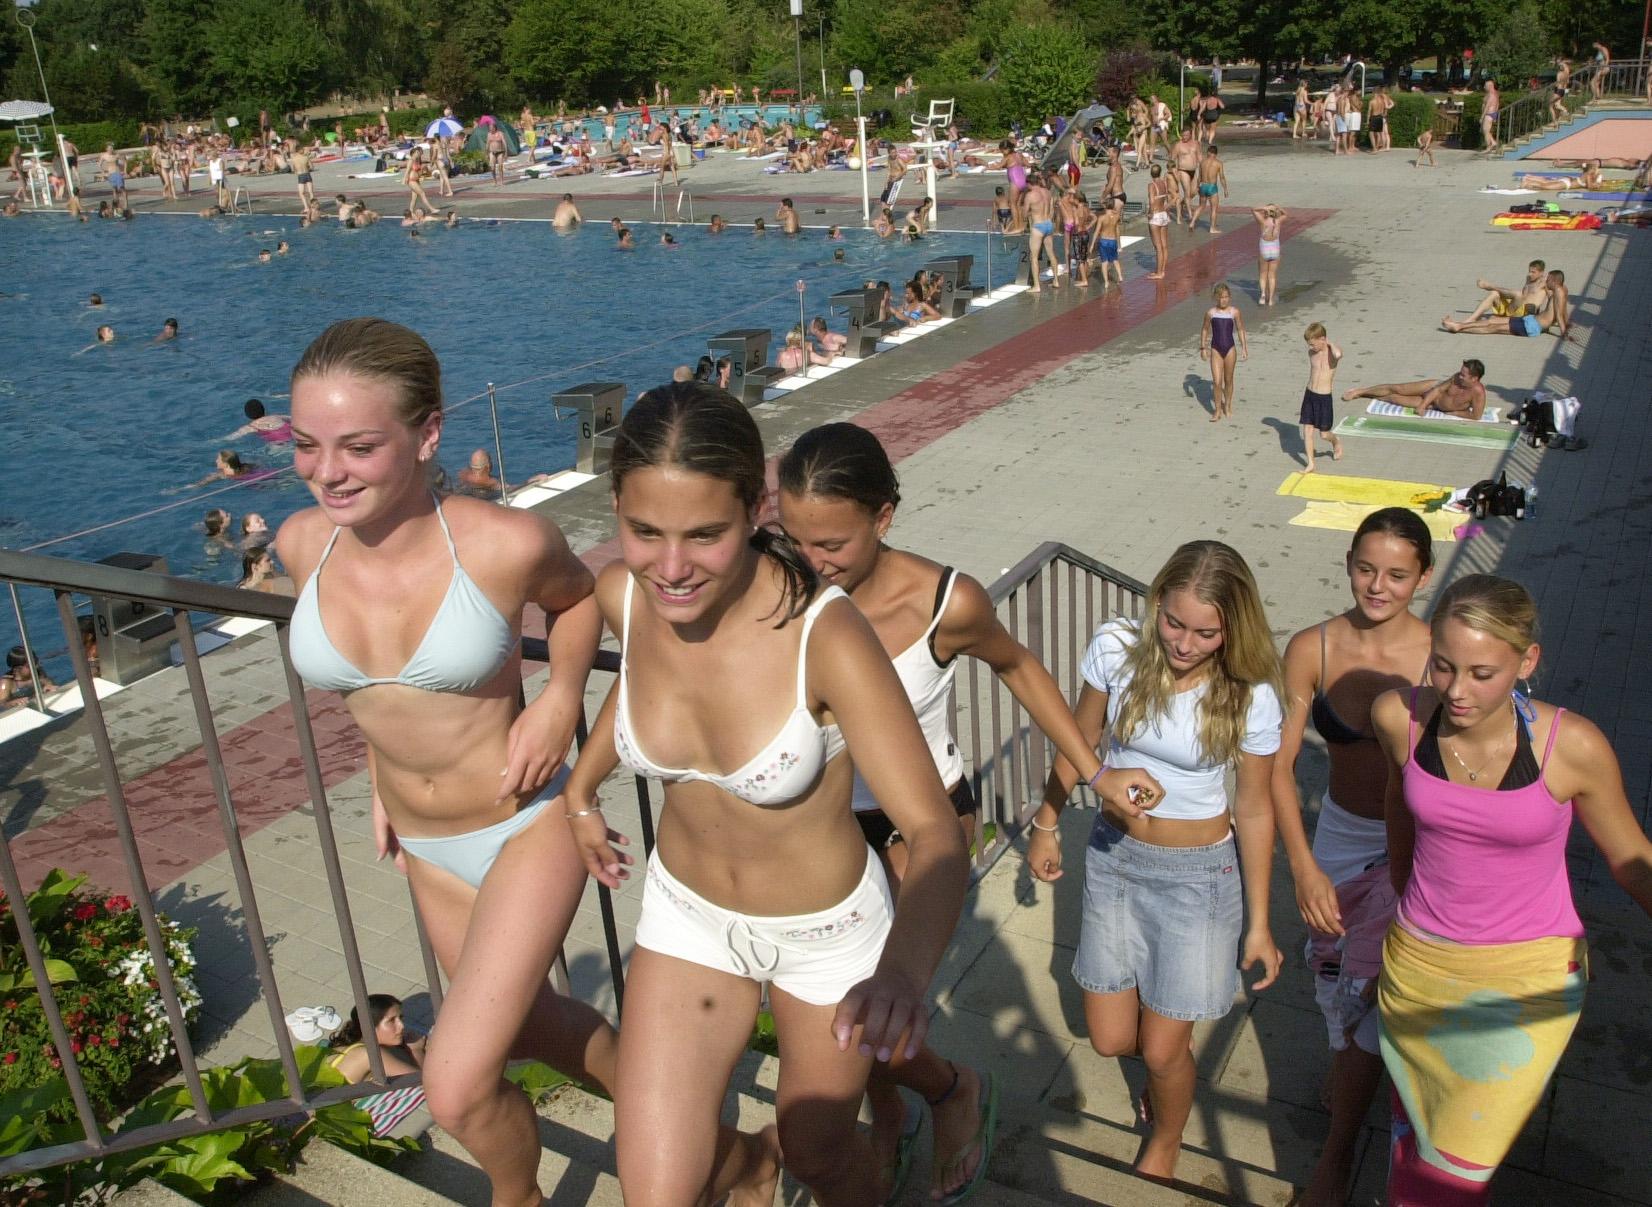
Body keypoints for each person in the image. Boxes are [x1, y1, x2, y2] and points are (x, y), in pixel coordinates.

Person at [276, 321, 778, 1205]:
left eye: (358, 446)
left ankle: (520, 1196)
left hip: (522, 824)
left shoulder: (500, 541)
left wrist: (558, 697)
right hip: (425, 847)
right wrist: (380, 768)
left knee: (458, 1082)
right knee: (536, 1024)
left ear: (427, 434)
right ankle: (731, 1153)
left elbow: (578, 598)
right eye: (307, 445)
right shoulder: (299, 545)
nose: (329, 471)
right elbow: (370, 684)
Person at [558, 383, 969, 1204]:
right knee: (656, 1189)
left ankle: (890, 1128)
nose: (671, 569)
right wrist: (579, 787)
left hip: (829, 937)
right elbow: (641, 689)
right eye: (644, 532)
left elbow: (935, 834)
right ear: (615, 508)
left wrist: (899, 977)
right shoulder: (625, 598)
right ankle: (749, 1165)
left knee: (820, 1155)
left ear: (754, 508)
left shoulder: (826, 634)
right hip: (688, 918)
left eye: (705, 535)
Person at [777, 424, 1162, 1202]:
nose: (808, 561)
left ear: (884, 517)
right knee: (854, 1013)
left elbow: (1020, 668)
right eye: (792, 536)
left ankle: (951, 1091)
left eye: (830, 542)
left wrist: (1096, 772)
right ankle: (905, 1112)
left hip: (922, 829)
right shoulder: (779, 587)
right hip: (818, 830)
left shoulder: (944, 602)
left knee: (869, 1004)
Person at [1371, 575, 1652, 1204]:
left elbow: (1631, 858)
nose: (1458, 691)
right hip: (1417, 970)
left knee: (1442, 1184)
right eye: (1443, 667)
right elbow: (1398, 815)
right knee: (1422, 1140)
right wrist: (1400, 909)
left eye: (1482, 672)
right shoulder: (1399, 717)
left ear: (1527, 662)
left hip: (1524, 985)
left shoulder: (1571, 746)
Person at [1029, 540, 1285, 1181]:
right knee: (1114, 1039)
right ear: (1156, 605)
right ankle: (1171, 1053)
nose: (1185, 643)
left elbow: (1255, 810)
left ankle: (1167, 1134)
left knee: (1163, 1046)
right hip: (1116, 862)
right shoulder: (1117, 647)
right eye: (1174, 623)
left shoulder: (1251, 693)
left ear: (1233, 628)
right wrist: (1047, 821)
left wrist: (1259, 921)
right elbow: (1080, 736)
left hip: (1199, 881)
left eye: (1206, 632)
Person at [1274, 510, 1435, 1207]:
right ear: (1347, 561)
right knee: (1342, 986)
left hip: (1426, 846)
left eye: (1398, 573)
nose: (1379, 584)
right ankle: (1354, 1072)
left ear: (1423, 577)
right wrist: (1303, 863)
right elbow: (1275, 769)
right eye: (1367, 568)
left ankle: (1335, 1162)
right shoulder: (1314, 646)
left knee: (1378, 1000)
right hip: (1340, 838)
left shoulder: (1441, 652)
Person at [328, 993, 433, 1140]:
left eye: (400, 1018)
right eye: (391, 1021)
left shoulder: (353, 1044)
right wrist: (416, 1050)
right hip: (335, 1125)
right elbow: (422, 1081)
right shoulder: (369, 1054)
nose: (401, 1026)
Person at [1342, 360, 1487, 419]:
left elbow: (1476, 416)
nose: (1459, 376)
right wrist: (1423, 406)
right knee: (1398, 388)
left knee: (1394, 398)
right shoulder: (1456, 377)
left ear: (1474, 378)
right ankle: (1360, 391)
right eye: (1460, 373)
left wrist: (1453, 413)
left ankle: (1370, 396)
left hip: (1434, 405)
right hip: (1432, 389)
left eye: (1463, 375)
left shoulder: (1478, 392)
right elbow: (1437, 390)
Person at [1297, 322, 1345, 471]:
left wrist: (1328, 342)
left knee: (1324, 435)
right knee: (1307, 430)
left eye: (1313, 344)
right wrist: (1318, 345)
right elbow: (1314, 352)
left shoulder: (1332, 354)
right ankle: (1311, 463)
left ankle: (1336, 441)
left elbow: (1338, 354)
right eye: (1309, 344)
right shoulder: (1312, 353)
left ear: (1322, 339)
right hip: (1310, 394)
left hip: (1324, 398)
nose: (1310, 348)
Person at [1200, 283, 1248, 422]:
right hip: (1215, 349)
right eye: (1221, 297)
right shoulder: (1211, 313)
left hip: (1230, 349)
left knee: (1228, 380)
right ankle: (1217, 410)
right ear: (1216, 297)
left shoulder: (1234, 312)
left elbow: (1240, 329)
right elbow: (1204, 329)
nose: (1224, 300)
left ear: (1230, 297)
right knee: (1216, 382)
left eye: (1226, 297)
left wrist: (1244, 347)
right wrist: (1203, 348)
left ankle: (1227, 405)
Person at [1024, 171, 1060, 292]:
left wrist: (1030, 213)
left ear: (1029, 183)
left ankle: (1036, 286)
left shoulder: (1030, 195)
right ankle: (1056, 280)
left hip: (1038, 226)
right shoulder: (1047, 192)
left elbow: (1024, 213)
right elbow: (1051, 209)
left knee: (1033, 257)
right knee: (1051, 253)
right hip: (1048, 224)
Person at [1, 645, 55, 710]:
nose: (36, 665)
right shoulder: (7, 682)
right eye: (30, 664)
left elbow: (47, 682)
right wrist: (12, 703)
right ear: (17, 668)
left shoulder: (37, 672)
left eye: (35, 662)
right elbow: (2, 704)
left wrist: (49, 686)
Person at [1253, 204, 1287, 305]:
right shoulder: (1278, 221)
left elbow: (1253, 209)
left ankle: (1263, 294)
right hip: (1275, 248)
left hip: (1265, 247)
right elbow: (1286, 214)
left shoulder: (1263, 222)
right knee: (1272, 276)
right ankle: (1271, 299)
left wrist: (1264, 208)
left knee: (1263, 274)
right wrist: (1278, 208)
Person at [222, 399, 294, 444]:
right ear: (264, 410)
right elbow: (293, 418)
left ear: (248, 415)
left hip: (278, 442)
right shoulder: (275, 417)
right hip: (291, 434)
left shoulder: (252, 426)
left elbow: (233, 437)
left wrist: (217, 441)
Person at [1192, 145, 1227, 233]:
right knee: (1214, 209)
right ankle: (1212, 228)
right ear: (1215, 154)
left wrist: (1197, 187)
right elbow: (1222, 177)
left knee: (1201, 206)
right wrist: (1225, 189)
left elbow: (1199, 177)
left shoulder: (1202, 162)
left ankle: (1192, 223)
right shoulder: (1218, 163)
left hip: (1203, 186)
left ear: (1209, 152)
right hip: (1212, 187)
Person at [1145, 164, 1171, 279]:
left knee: (1158, 246)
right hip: (1163, 214)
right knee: (1164, 245)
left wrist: (1150, 213)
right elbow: (1167, 198)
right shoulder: (1164, 183)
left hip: (1155, 215)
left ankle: (1159, 273)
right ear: (1160, 173)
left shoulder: (1152, 185)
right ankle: (1163, 270)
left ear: (1151, 173)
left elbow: (1151, 201)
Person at [1481, 79, 1501, 152]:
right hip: (1492, 114)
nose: (1484, 87)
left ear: (1490, 86)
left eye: (1485, 85)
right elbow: (1497, 105)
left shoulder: (1491, 94)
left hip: (1489, 114)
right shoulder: (1495, 93)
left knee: (1485, 131)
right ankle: (1493, 142)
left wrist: (1482, 116)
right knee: (1487, 130)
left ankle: (1488, 147)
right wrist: (1495, 115)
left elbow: (1487, 106)